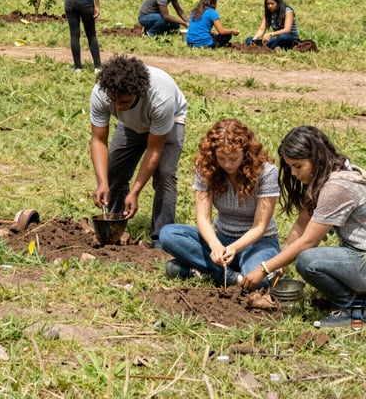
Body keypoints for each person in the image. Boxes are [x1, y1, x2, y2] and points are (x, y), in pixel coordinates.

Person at [240, 126, 366, 329]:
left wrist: (264, 269)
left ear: (316, 159)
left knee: (308, 260)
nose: (294, 173)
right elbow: (300, 226)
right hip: (359, 255)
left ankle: (354, 309)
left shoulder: (336, 188)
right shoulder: (328, 177)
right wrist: (280, 266)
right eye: (290, 166)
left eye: (298, 166)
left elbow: (308, 241)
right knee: (306, 256)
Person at [160, 119, 280, 286]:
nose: (227, 164)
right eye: (221, 158)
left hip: (257, 242)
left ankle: (200, 270)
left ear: (246, 153)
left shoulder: (266, 172)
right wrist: (215, 244)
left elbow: (260, 226)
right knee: (168, 234)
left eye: (233, 158)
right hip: (221, 236)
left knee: (261, 282)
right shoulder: (206, 168)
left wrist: (234, 248)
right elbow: (203, 217)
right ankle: (232, 277)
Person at [90, 55, 187, 247]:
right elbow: (98, 140)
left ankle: (161, 238)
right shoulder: (102, 93)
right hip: (131, 124)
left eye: (124, 102)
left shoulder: (160, 98)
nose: (118, 106)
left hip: (169, 122)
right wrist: (102, 182)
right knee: (113, 171)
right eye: (114, 101)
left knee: (164, 174)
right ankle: (114, 226)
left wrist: (135, 192)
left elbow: (154, 148)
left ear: (139, 93)